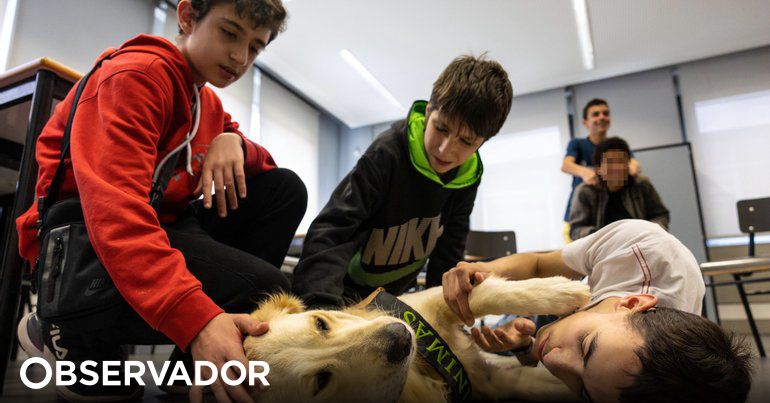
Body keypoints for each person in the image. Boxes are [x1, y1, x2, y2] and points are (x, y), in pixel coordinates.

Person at [15, 1, 305, 401]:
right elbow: (115, 214)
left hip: (162, 228)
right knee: (262, 286)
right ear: (187, 17)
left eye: (255, 47)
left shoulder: (206, 102)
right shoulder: (136, 75)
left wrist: (233, 140)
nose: (240, 57)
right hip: (82, 248)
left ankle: (185, 383)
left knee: (283, 190)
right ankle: (66, 326)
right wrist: (198, 317)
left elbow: (266, 164)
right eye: (229, 33)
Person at [443, 220, 753, 403]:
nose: (552, 359)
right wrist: (481, 269)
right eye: (586, 346)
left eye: (582, 390)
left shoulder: (620, 359)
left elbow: (554, 361)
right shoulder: (636, 244)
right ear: (632, 303)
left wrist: (525, 348)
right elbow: (537, 264)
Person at [292, 55, 514, 307]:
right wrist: (321, 307)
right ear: (429, 110)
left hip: (390, 299)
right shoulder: (387, 152)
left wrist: (444, 317)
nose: (445, 149)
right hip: (339, 291)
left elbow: (447, 256)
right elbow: (335, 229)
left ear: (482, 142)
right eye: (441, 128)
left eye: (466, 141)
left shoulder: (467, 178)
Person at [561, 99, 641, 242]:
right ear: (585, 122)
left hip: (609, 217)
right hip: (580, 217)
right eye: (596, 114)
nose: (602, 117)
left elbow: (634, 166)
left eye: (605, 113)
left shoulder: (616, 146)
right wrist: (586, 172)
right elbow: (566, 165)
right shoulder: (578, 144)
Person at [569, 137, 669, 240]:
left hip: (641, 245)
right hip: (602, 250)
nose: (617, 168)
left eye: (621, 161)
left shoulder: (641, 184)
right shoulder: (585, 191)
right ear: (598, 169)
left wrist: (649, 232)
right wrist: (603, 237)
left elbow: (661, 215)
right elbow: (576, 230)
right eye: (610, 163)